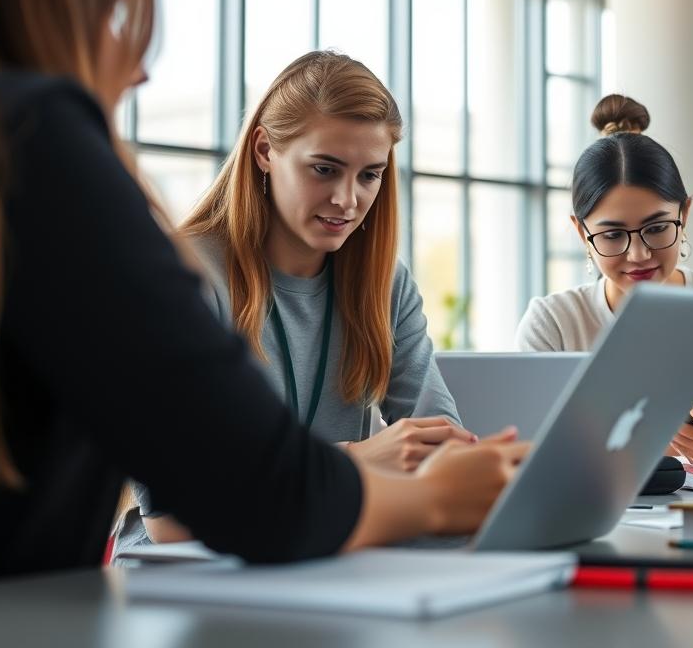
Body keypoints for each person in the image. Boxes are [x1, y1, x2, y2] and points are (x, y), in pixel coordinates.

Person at [0, 0, 524, 582]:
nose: (137, 68)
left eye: (370, 175)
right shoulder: (26, 135)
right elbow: (243, 490)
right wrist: (435, 496)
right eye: (111, 13)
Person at [114, 50, 497, 553]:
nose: (347, 199)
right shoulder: (183, 277)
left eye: (369, 175)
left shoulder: (383, 283)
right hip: (188, 578)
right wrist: (357, 461)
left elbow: (439, 453)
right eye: (324, 169)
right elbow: (172, 518)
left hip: (321, 561)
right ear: (264, 151)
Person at [516, 94, 693, 464]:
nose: (639, 255)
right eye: (613, 235)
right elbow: (527, 450)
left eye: (657, 228)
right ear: (581, 233)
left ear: (685, 213)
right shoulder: (553, 322)